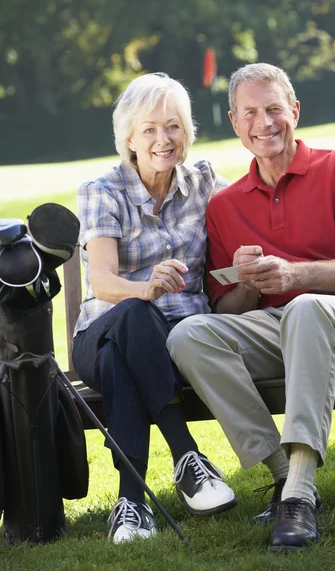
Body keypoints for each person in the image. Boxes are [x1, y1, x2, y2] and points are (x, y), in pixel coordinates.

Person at [166, 62, 335, 553]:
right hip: (281, 326)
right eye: (250, 112)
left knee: (306, 307)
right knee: (189, 335)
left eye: (274, 108)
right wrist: (248, 282)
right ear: (235, 122)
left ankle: (299, 493)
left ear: (294, 110)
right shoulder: (225, 205)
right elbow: (228, 311)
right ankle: (284, 479)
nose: (264, 122)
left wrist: (297, 275)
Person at [72, 72, 235, 544]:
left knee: (119, 362)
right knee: (132, 324)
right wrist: (145, 290)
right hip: (100, 330)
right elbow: (101, 282)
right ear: (129, 138)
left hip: (177, 347)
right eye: (149, 129)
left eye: (173, 126)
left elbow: (254, 210)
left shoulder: (203, 182)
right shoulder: (103, 189)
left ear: (188, 132)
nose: (163, 139)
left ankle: (131, 506)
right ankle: (188, 458)